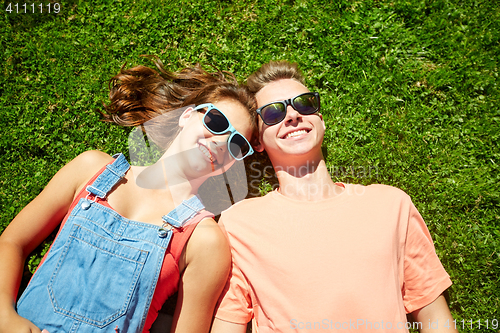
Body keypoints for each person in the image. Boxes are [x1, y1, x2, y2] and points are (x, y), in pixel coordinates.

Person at [0, 58, 257, 333]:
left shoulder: (204, 240)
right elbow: (13, 242)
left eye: (236, 144)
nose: (220, 142)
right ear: (187, 115)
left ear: (231, 163)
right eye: (216, 121)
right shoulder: (92, 169)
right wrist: (5, 315)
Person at [211, 61, 458, 333]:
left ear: (320, 120)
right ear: (257, 141)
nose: (293, 115)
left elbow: (437, 320)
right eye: (273, 112)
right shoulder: (239, 224)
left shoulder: (390, 205)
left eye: (304, 104)